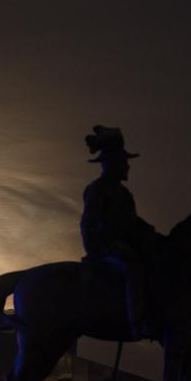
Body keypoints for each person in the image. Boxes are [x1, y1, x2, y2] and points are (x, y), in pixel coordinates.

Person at [80, 125, 158, 340]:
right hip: (108, 249)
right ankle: (136, 322)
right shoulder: (97, 190)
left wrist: (151, 233)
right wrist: (95, 251)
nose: (127, 167)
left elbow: (132, 222)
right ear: (113, 163)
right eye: (124, 162)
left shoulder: (124, 193)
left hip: (125, 244)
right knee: (134, 267)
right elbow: (88, 223)